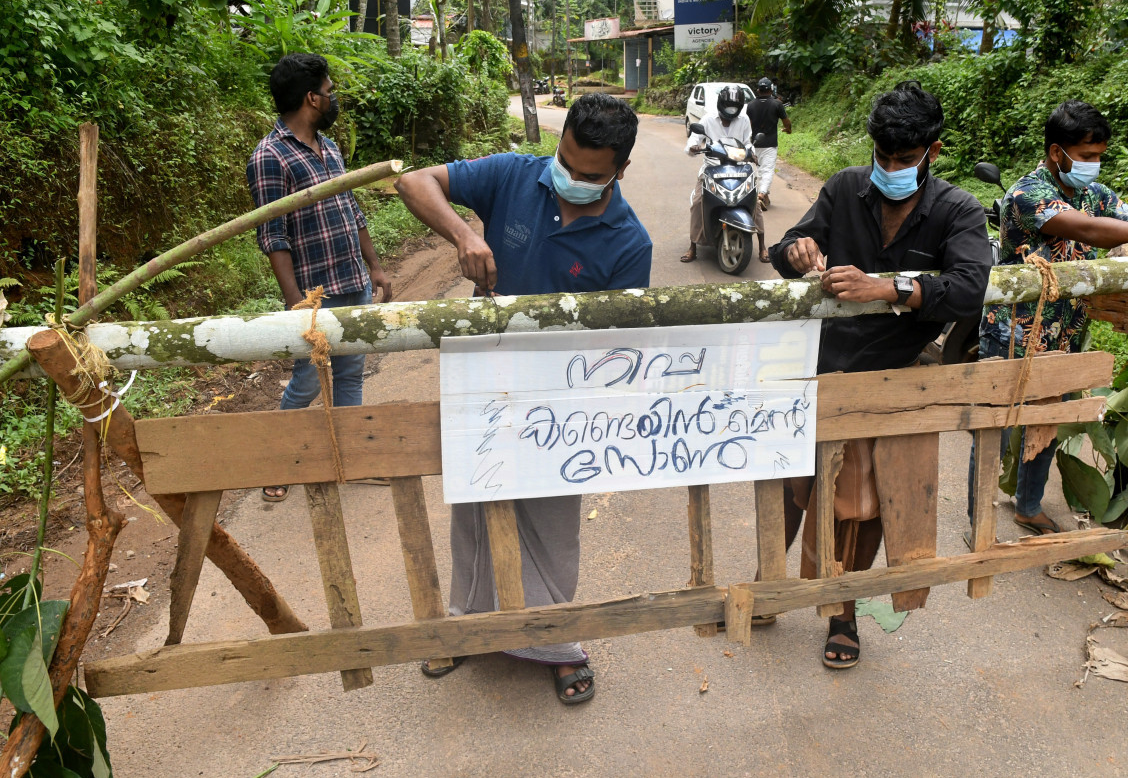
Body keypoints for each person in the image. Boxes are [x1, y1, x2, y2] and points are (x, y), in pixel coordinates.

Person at [394, 93, 651, 704]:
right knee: (474, 504)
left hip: (561, 401)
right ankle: (467, 624)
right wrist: (463, 234)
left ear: (620, 171)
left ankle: (554, 641)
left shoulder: (629, 243)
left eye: (592, 176)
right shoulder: (513, 174)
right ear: (557, 147)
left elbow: (621, 347)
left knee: (553, 521)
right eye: (566, 162)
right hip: (481, 382)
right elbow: (413, 182)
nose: (573, 180)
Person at [768, 80, 993, 669]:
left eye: (904, 159)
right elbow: (791, 242)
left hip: (891, 377)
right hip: (817, 366)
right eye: (883, 157)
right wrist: (796, 252)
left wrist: (889, 286)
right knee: (792, 483)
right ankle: (771, 584)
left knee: (862, 503)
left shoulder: (957, 210)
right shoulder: (845, 188)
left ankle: (842, 612)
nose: (891, 169)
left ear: (932, 152)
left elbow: (970, 288)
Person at [976, 100, 1128, 536]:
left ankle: (1028, 506)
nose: (1094, 164)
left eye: (1098, 156)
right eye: (1087, 156)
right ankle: (978, 507)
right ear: (1057, 152)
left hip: (1067, 332)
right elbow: (1088, 229)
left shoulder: (1097, 193)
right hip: (1012, 332)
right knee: (993, 424)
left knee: (1048, 423)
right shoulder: (1026, 193)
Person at [247, 53, 391, 503]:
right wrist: (296, 303)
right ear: (312, 98)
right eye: (330, 93)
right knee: (308, 381)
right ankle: (281, 460)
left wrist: (375, 266)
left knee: (351, 373)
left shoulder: (329, 148)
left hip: (353, 281)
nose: (334, 100)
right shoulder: (269, 157)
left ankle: (350, 460)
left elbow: (352, 209)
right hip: (315, 294)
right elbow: (272, 235)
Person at [680, 85, 768, 264]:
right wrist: (694, 147)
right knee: (698, 202)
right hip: (712, 168)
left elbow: (747, 142)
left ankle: (763, 245)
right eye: (728, 107)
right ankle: (693, 246)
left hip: (739, 167)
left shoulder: (743, 119)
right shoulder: (708, 119)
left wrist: (752, 153)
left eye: (734, 108)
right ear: (721, 104)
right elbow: (693, 141)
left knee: (754, 203)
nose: (731, 111)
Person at [746, 77, 791, 210]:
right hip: (770, 143)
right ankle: (761, 195)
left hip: (754, 142)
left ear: (758, 90)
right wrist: (788, 130)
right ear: (771, 90)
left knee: (759, 170)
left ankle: (764, 195)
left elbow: (748, 124)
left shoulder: (751, 105)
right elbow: (786, 121)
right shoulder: (777, 104)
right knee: (768, 170)